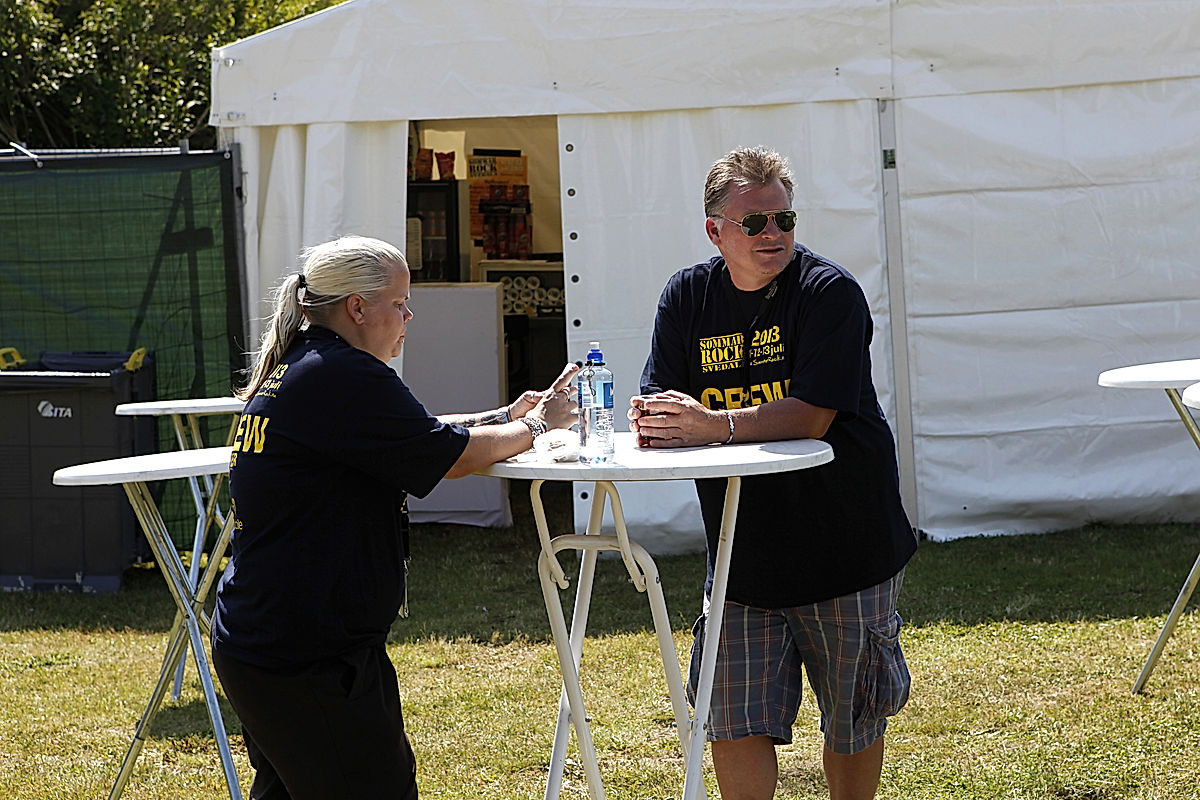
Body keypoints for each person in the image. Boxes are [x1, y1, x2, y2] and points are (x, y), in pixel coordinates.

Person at [211, 235, 578, 800]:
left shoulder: (310, 365)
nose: (409, 316)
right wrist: (537, 427)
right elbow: (447, 456)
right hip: (308, 654)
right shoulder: (342, 374)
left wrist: (506, 415)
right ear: (357, 308)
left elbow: (414, 433)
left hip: (277, 642)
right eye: (400, 302)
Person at [628, 146, 917, 800]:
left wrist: (713, 424)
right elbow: (661, 405)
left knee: (853, 718)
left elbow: (813, 414)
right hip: (742, 558)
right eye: (754, 223)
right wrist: (660, 420)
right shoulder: (687, 296)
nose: (774, 235)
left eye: (784, 220)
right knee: (732, 719)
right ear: (715, 231)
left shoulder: (828, 293)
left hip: (846, 546)